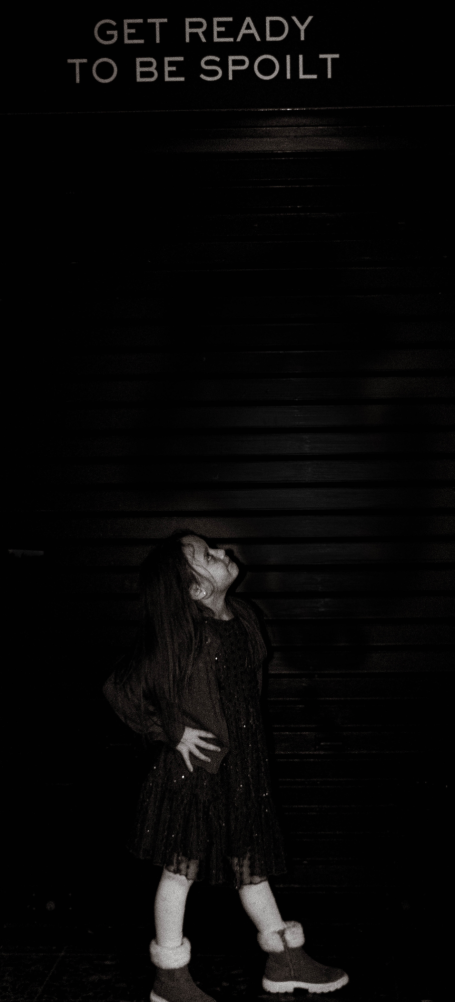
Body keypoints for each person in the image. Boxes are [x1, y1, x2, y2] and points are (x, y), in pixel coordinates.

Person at [103, 530, 348, 1000]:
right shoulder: (182, 636)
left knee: (251, 865)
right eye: (208, 556)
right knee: (180, 870)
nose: (223, 553)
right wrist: (171, 732)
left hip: (243, 772)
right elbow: (120, 689)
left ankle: (284, 960)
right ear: (196, 589)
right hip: (195, 778)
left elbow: (246, 688)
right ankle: (170, 977)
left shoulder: (247, 618)